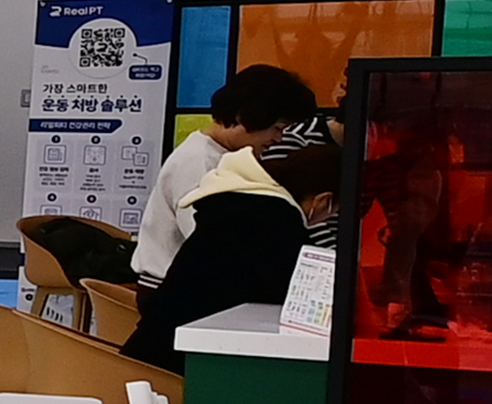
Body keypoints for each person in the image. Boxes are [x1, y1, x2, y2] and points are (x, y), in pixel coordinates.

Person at [122, 126, 335, 371]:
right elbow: (287, 295)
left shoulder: (239, 204)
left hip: (158, 344)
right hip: (184, 363)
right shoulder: (276, 220)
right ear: (323, 200)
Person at [133, 64, 316, 283]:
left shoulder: (228, 156)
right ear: (245, 116)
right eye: (278, 128)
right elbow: (208, 243)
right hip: (172, 289)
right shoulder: (200, 162)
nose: (279, 139)